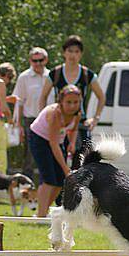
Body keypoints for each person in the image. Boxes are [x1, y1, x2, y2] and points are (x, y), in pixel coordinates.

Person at [38, 35, 105, 166]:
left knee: (83, 163)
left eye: (76, 51)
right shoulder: (55, 73)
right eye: (70, 51)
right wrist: (45, 118)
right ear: (64, 53)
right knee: (57, 162)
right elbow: (43, 97)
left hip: (80, 125)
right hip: (59, 124)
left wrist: (95, 118)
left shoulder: (87, 74)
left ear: (81, 54)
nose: (73, 55)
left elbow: (101, 97)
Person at [30, 84, 82, 217]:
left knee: (59, 182)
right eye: (68, 102)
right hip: (40, 139)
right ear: (61, 101)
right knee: (49, 179)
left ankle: (44, 211)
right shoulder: (55, 114)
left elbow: (73, 129)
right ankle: (40, 216)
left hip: (57, 141)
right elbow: (53, 144)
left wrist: (71, 142)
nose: (72, 106)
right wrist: (66, 169)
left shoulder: (77, 114)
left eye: (75, 102)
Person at [13, 47, 50, 180]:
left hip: (49, 119)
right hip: (31, 120)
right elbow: (19, 102)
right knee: (29, 154)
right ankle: (26, 185)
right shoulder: (24, 77)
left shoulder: (51, 76)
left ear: (46, 60)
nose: (38, 63)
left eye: (41, 60)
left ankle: (45, 183)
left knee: (48, 153)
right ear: (30, 61)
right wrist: (19, 125)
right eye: (35, 61)